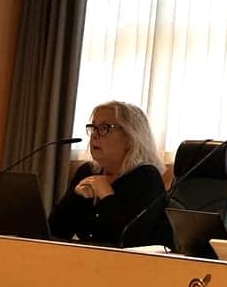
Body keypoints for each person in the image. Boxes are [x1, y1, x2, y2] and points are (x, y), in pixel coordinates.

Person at [49, 101, 171, 248]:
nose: (94, 135)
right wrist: (75, 197)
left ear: (130, 138)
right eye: (93, 128)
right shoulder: (87, 172)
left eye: (104, 128)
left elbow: (132, 241)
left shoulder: (146, 177)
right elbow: (54, 232)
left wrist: (106, 195)